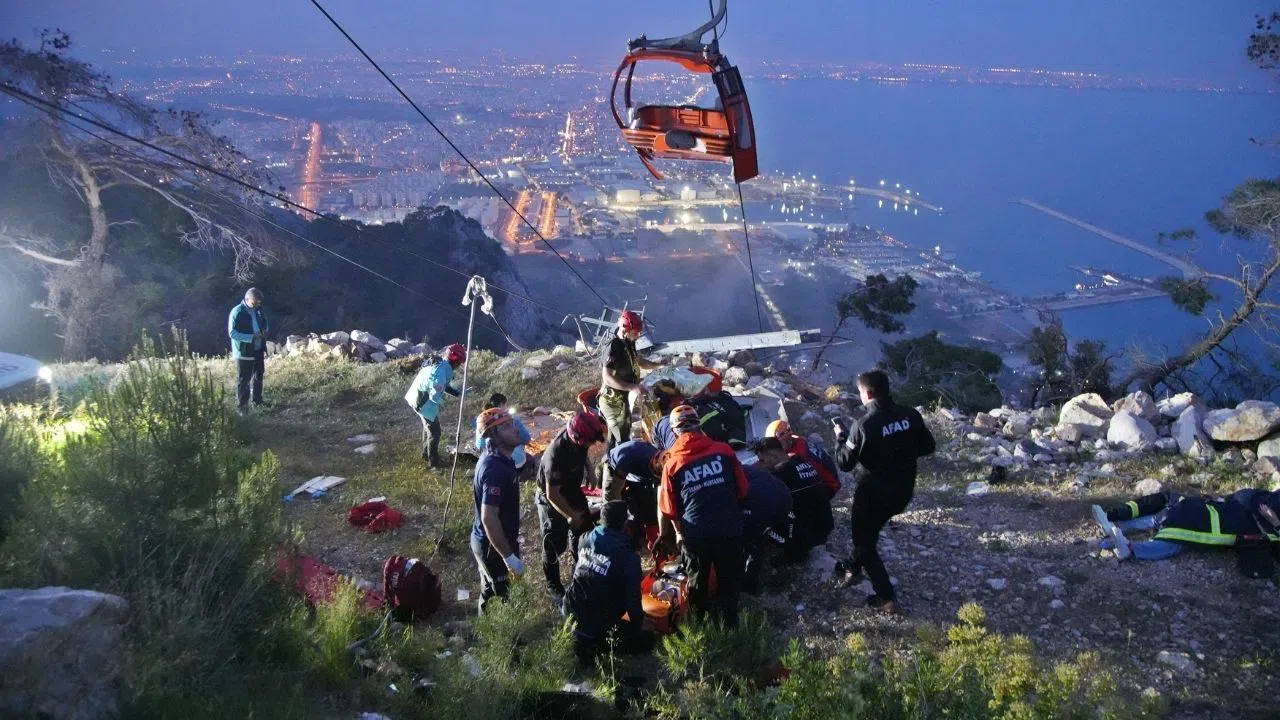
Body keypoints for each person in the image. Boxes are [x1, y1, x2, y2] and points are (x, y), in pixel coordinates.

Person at [832, 370, 936, 613]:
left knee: (865, 542)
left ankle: (886, 598)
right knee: (870, 534)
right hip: (903, 491)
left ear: (867, 393)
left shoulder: (864, 426)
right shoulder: (910, 415)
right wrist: (901, 455)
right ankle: (852, 567)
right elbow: (928, 446)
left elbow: (845, 463)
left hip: (873, 494)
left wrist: (840, 439)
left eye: (859, 392)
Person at [657, 404, 748, 626]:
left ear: (675, 431)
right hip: (729, 528)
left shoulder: (672, 464)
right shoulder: (724, 451)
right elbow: (743, 489)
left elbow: (669, 509)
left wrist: (678, 533)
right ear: (699, 425)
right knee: (729, 579)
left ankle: (699, 626)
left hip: (697, 535)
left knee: (698, 581)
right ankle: (730, 625)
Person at [1092, 488, 1280, 577]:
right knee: (1171, 543)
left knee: (1158, 520)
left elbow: (1242, 497)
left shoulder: (1249, 500)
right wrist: (1276, 525)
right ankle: (1129, 547)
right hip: (1199, 527)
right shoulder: (1262, 530)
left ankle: (1117, 528)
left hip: (1190, 509)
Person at [563, 500, 652, 665]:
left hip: (570, 612)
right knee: (648, 640)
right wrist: (641, 624)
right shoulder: (628, 558)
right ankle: (595, 645)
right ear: (625, 525)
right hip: (598, 626)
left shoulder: (584, 538)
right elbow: (633, 603)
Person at [536, 410, 608, 603]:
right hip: (552, 498)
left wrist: (590, 469)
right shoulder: (555, 455)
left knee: (584, 532)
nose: (592, 445)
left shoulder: (581, 434)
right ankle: (554, 586)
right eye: (589, 442)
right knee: (554, 543)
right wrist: (570, 515)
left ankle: (583, 574)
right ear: (576, 438)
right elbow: (552, 494)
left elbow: (583, 451)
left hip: (572, 488)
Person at [471, 407, 527, 613]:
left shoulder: (503, 459)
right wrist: (508, 557)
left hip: (498, 540)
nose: (515, 430)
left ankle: (485, 626)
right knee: (504, 596)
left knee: (490, 589)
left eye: (512, 424)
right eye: (506, 427)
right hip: (492, 545)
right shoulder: (493, 469)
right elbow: (488, 517)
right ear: (493, 435)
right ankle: (508, 641)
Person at [752, 436, 833, 562]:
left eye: (762, 460)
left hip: (809, 535)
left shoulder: (781, 473)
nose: (761, 465)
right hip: (825, 525)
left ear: (773, 455)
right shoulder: (801, 460)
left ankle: (794, 552)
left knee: (757, 517)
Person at [599, 310, 661, 453]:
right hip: (612, 402)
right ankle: (620, 468)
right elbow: (607, 377)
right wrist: (632, 387)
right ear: (625, 330)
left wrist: (657, 365)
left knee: (614, 439)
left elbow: (638, 360)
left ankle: (608, 465)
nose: (638, 335)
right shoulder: (614, 347)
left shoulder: (629, 343)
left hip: (624, 398)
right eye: (635, 332)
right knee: (623, 440)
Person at [404, 343, 467, 468]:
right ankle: (434, 462)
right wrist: (443, 402)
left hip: (415, 396)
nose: (459, 366)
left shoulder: (441, 365)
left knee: (428, 427)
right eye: (459, 363)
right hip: (423, 402)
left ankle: (425, 453)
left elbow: (444, 386)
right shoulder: (440, 373)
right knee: (435, 432)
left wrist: (457, 393)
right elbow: (435, 395)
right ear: (456, 362)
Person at [739, 463, 793, 594]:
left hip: (763, 504)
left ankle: (749, 587)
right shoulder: (742, 467)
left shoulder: (726, 478)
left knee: (749, 543)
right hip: (785, 496)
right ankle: (786, 545)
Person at [765, 420, 840, 499]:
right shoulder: (797, 439)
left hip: (828, 487)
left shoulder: (797, 455)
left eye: (775, 446)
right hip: (829, 479)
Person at [604, 439, 662, 533]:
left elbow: (661, 499)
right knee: (611, 507)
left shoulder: (662, 460)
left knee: (646, 502)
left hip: (639, 474)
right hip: (615, 466)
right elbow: (615, 494)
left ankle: (644, 530)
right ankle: (616, 536)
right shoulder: (627, 460)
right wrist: (623, 523)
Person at [227, 287, 270, 414]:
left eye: (259, 302)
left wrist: (265, 330)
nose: (257, 304)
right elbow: (232, 333)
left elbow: (265, 322)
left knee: (258, 375)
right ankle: (242, 407)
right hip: (245, 351)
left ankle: (257, 401)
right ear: (247, 299)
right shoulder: (237, 312)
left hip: (258, 349)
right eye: (254, 302)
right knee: (244, 379)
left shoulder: (258, 310)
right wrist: (250, 337)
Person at [475, 393, 532, 471]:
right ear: (502, 404)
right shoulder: (509, 418)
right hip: (516, 461)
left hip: (490, 457)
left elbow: (479, 445)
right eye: (506, 405)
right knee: (530, 460)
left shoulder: (484, 418)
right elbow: (526, 439)